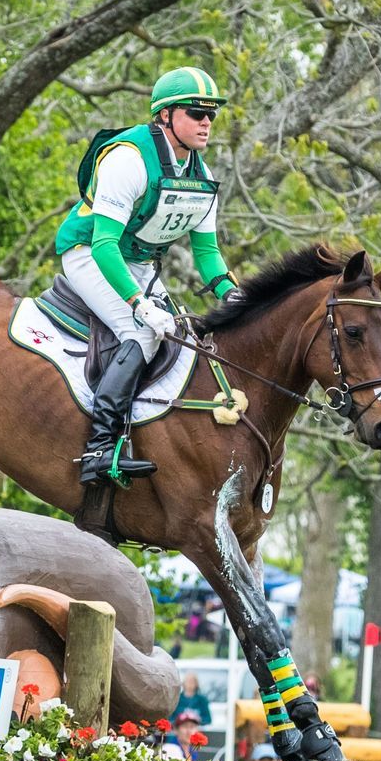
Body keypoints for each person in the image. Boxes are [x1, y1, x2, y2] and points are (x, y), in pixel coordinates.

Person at [52, 66, 234, 484]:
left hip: (137, 261)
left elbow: (207, 253)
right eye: (196, 112)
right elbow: (103, 245)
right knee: (144, 333)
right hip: (89, 252)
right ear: (165, 116)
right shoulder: (128, 159)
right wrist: (139, 305)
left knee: (183, 337)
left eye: (212, 115)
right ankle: (98, 449)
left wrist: (234, 295)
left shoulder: (200, 175)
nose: (207, 122)